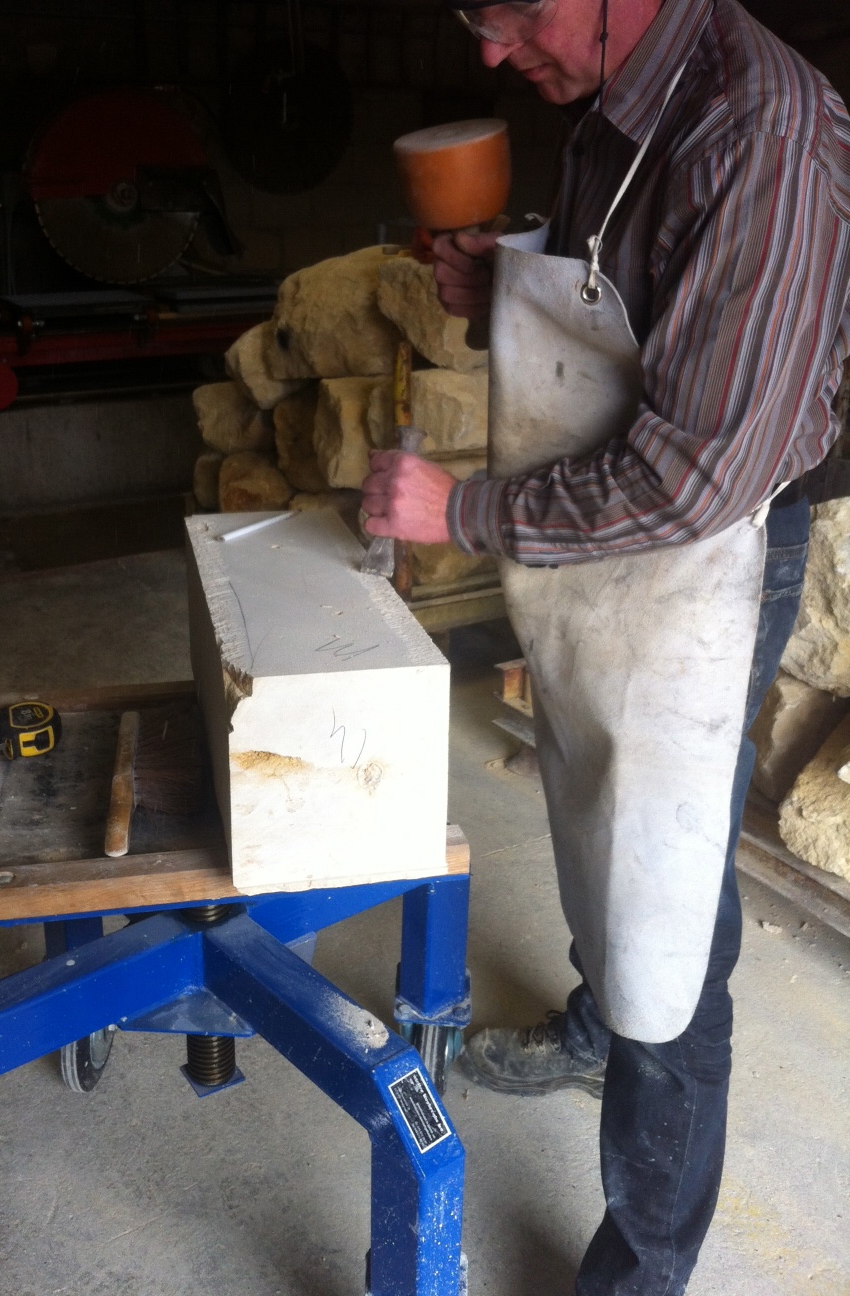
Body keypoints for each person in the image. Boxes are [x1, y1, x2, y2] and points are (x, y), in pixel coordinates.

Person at [361, 0, 850, 1292]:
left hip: (702, 557)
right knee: (590, 798)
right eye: (470, 15)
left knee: (670, 899)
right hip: (603, 533)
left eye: (510, 11)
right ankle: (601, 1019)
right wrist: (507, 291)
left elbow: (697, 474)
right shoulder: (611, 96)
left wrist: (462, 512)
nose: (487, 49)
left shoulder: (760, 134)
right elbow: (626, 315)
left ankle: (645, 1262)